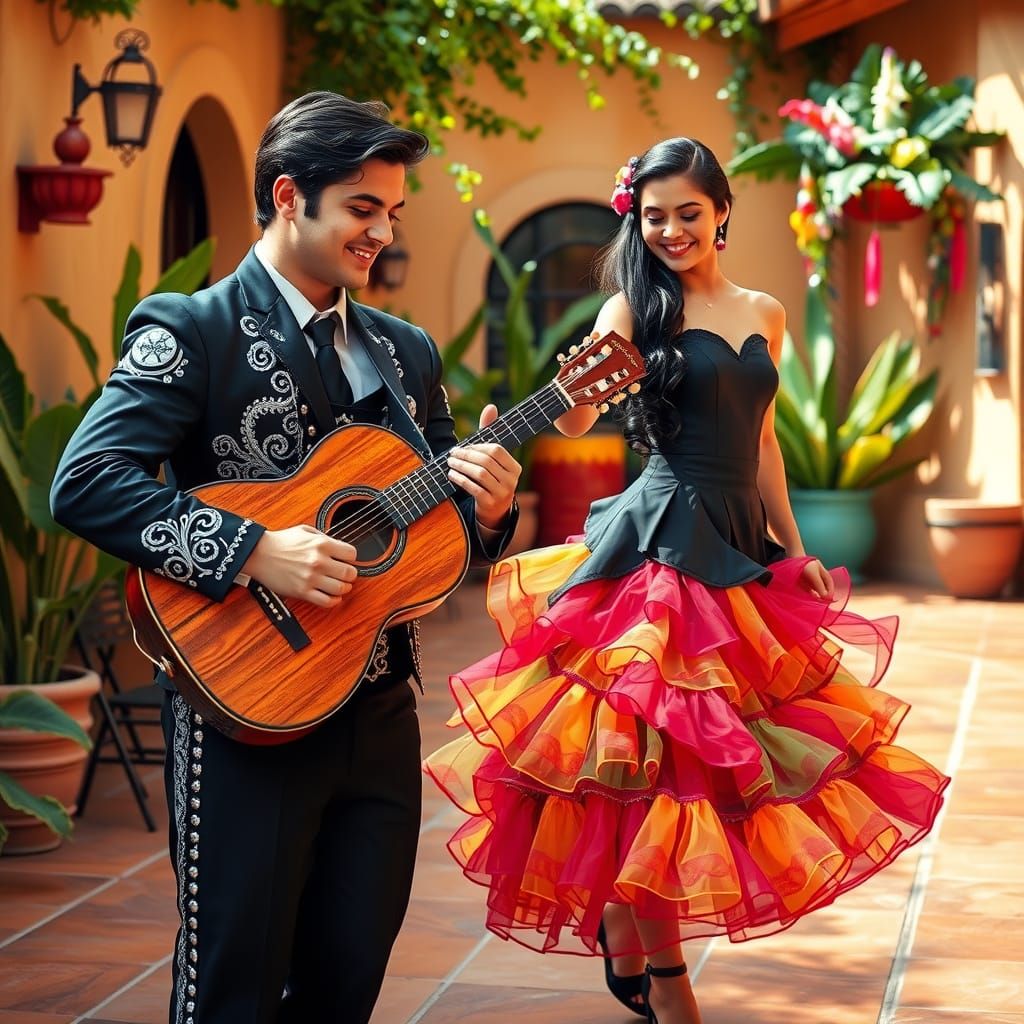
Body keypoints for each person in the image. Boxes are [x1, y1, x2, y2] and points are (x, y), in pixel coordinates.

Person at [423, 137, 949, 1024]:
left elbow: (766, 442)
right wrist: (574, 388)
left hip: (737, 546)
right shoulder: (634, 306)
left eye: (688, 213)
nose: (671, 230)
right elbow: (580, 416)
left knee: (723, 761)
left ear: (722, 212)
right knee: (656, 769)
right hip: (661, 547)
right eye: (654, 216)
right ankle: (669, 979)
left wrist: (792, 551)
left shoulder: (765, 312)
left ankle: (623, 925)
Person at [51, 92, 521, 1024]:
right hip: (243, 712)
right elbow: (87, 480)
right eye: (361, 207)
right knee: (233, 989)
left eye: (392, 211)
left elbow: (438, 533)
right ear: (287, 196)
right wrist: (255, 548)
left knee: (347, 981)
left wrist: (491, 509)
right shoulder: (191, 328)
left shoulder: (407, 353)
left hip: (379, 711)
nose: (381, 231)